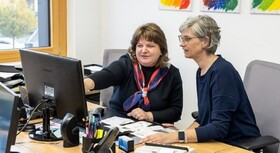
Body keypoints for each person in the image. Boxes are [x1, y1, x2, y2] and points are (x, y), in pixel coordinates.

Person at [139, 15, 260, 146]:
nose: (181, 43)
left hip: (237, 145)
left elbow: (219, 128)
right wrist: (176, 136)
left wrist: (176, 137)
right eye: (181, 38)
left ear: (205, 42)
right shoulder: (202, 70)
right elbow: (203, 117)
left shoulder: (223, 72)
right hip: (217, 142)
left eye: (187, 39)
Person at [84, 23, 183, 123]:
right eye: (139, 45)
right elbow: (108, 74)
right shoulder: (126, 64)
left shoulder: (171, 73)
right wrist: (87, 83)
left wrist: (148, 115)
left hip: (152, 128)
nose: (143, 50)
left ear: (161, 50)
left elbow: (175, 111)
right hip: (117, 122)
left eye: (150, 46)